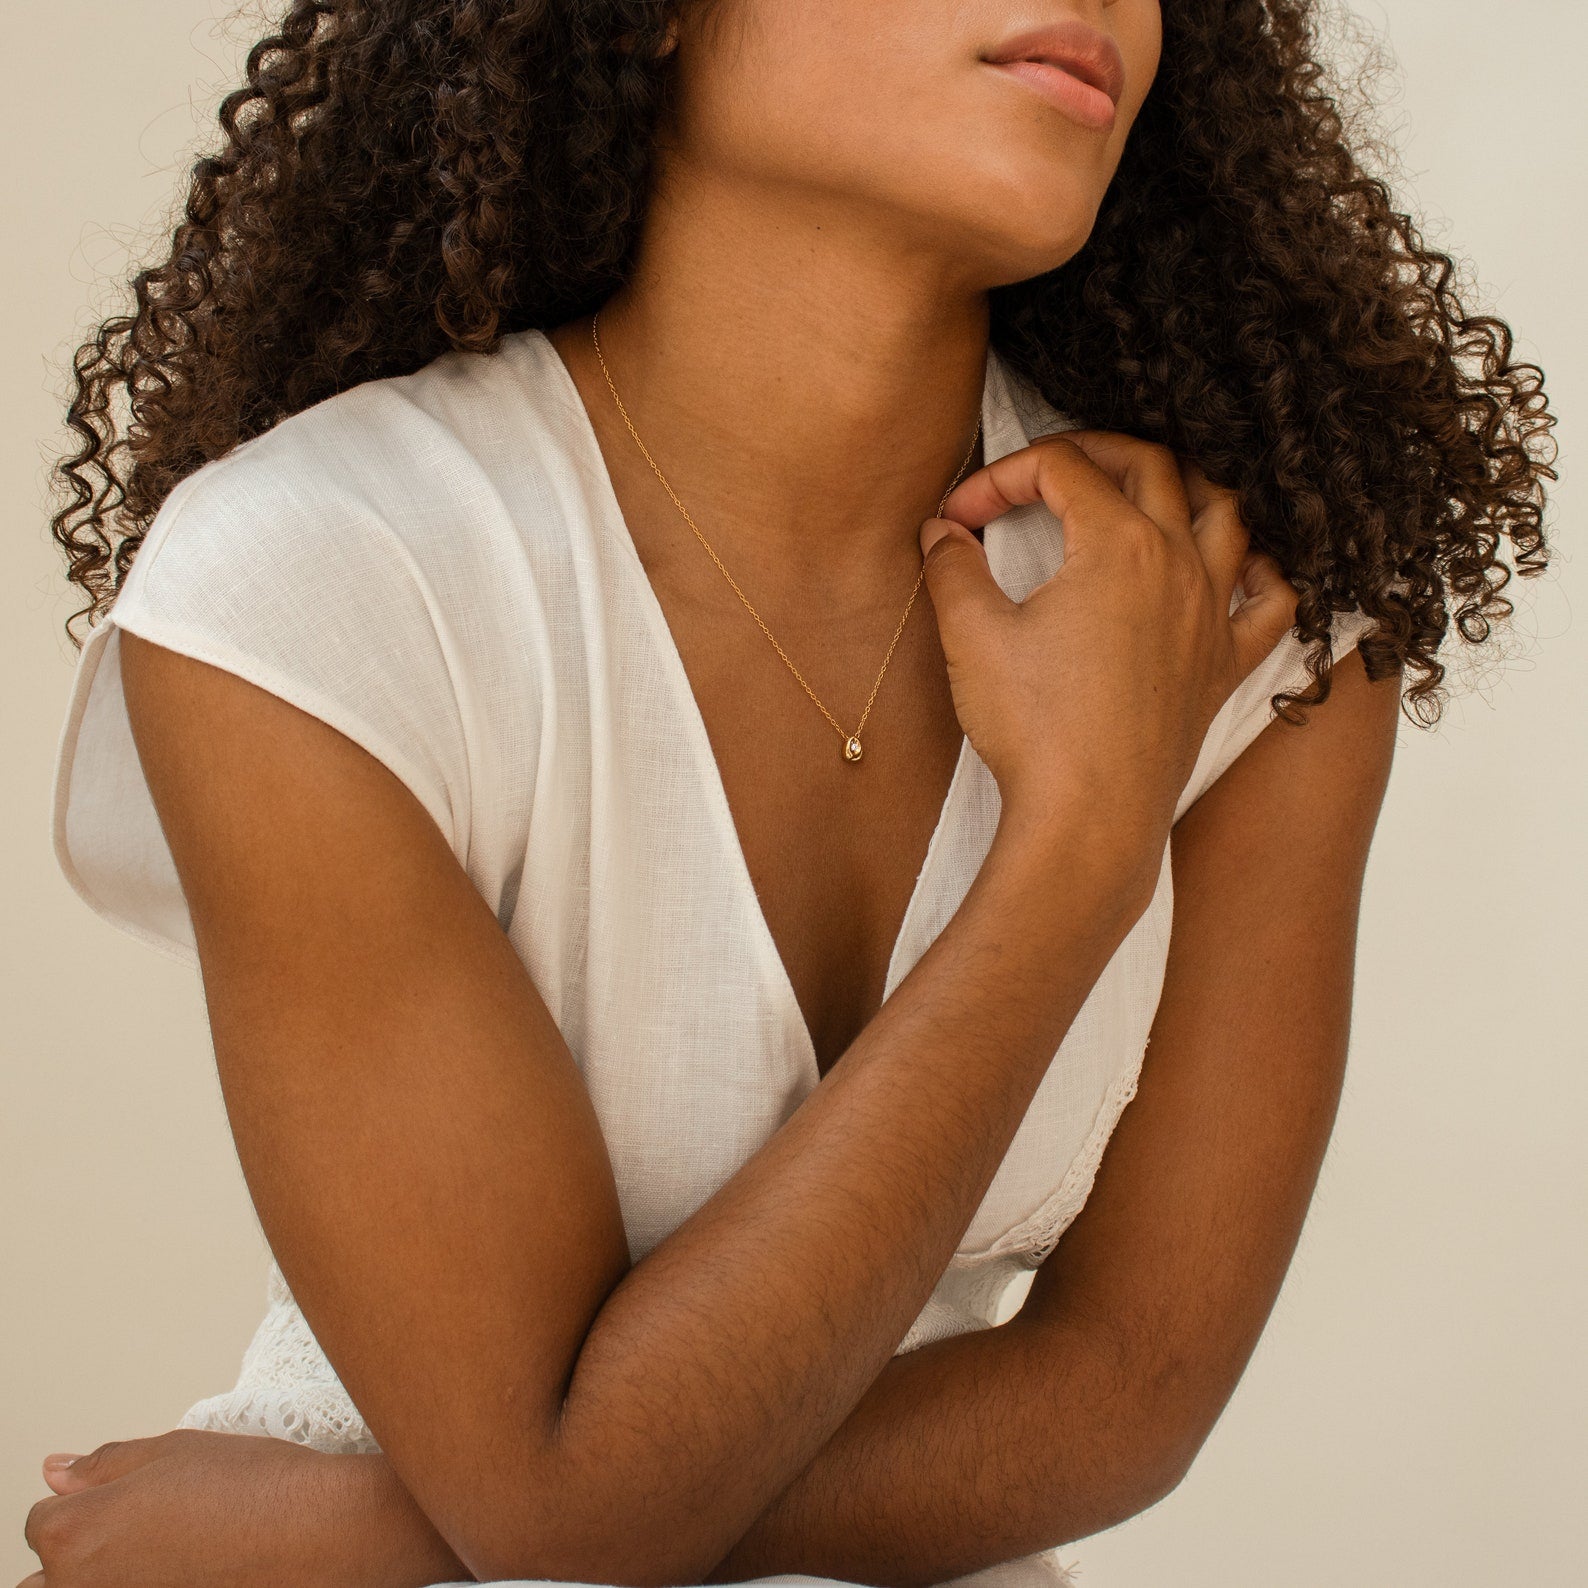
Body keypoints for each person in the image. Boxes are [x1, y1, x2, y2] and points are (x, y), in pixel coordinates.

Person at [31, 1, 1555, 1585]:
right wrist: (1072, 862)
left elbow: (1131, 1390)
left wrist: (368, 1530)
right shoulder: (321, 583)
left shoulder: (1241, 624)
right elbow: (553, 1497)